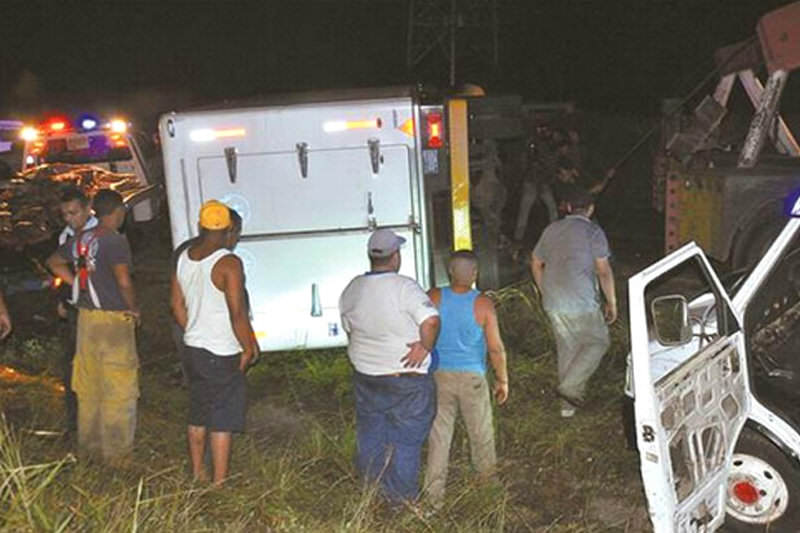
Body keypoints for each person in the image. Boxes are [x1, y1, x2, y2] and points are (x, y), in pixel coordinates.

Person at [339, 229, 440, 505]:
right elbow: (430, 321)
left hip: (367, 377)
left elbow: (350, 329)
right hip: (405, 379)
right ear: (395, 256)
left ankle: (374, 496)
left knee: (372, 437)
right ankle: (402, 502)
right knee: (405, 442)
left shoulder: (353, 288)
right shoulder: (404, 287)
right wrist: (425, 346)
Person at [46, 189, 140, 464]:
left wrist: (76, 282)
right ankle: (117, 455)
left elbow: (53, 262)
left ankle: (89, 449)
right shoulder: (115, 240)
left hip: (86, 320)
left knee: (88, 386)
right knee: (119, 386)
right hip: (112, 322)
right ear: (119, 211)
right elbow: (124, 281)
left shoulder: (82, 239)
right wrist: (133, 308)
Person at [170, 200, 256, 486]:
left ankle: (198, 473)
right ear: (229, 230)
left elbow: (177, 306)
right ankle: (219, 483)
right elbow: (237, 311)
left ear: (201, 226)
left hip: (193, 347)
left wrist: (195, 329)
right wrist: (248, 347)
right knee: (222, 417)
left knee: (198, 411)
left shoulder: (184, 257)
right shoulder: (228, 263)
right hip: (221, 351)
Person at [424, 249, 509, 507]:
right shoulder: (483, 304)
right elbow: (495, 348)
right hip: (472, 377)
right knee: (481, 434)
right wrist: (502, 379)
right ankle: (488, 494)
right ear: (475, 274)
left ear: (450, 271)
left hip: (439, 376)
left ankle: (433, 500)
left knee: (439, 437)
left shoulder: (433, 297)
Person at [530, 187, 616, 418]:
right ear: (590, 209)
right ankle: (568, 388)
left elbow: (536, 262)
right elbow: (603, 271)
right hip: (581, 301)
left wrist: (543, 290)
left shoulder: (551, 229)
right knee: (599, 342)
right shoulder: (593, 232)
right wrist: (612, 303)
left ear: (567, 207)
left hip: (554, 302)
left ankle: (567, 410)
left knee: (567, 349)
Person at [56, 186, 98, 436]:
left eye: (73, 213)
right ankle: (75, 425)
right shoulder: (65, 237)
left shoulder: (100, 233)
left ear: (87, 209)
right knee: (72, 365)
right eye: (65, 215)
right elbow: (63, 270)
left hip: (99, 308)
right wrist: (64, 297)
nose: (70, 219)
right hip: (76, 307)